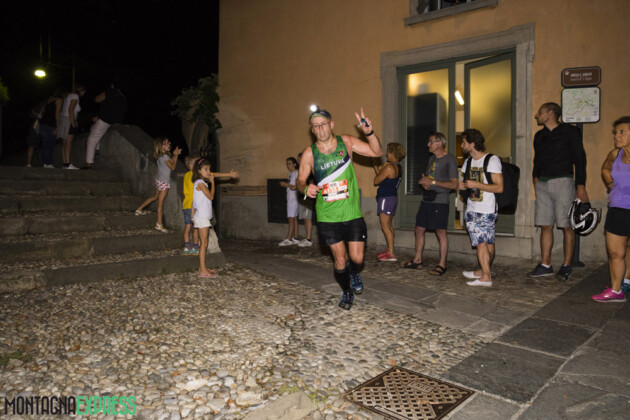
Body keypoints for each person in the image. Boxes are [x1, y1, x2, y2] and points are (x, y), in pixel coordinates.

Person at [297, 107, 382, 310]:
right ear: (312, 130)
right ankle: (347, 291)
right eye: (316, 126)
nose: (320, 129)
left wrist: (369, 133)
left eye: (323, 124)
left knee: (357, 258)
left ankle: (354, 272)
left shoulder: (347, 142)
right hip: (327, 215)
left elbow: (377, 152)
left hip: (351, 212)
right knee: (340, 259)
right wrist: (305, 188)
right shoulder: (309, 153)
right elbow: (299, 181)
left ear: (331, 124)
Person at [529, 102, 589, 279]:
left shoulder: (570, 132)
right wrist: (535, 179)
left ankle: (566, 265)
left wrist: (581, 185)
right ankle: (545, 264)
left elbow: (580, 159)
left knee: (566, 225)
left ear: (551, 112)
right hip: (542, 184)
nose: (536, 115)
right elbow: (537, 160)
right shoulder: (539, 135)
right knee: (545, 225)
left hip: (563, 181)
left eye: (540, 112)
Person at [403, 132, 458, 274]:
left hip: (440, 201)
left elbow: (454, 185)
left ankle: (442, 264)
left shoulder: (450, 160)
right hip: (427, 199)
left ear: (439, 143)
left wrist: (432, 182)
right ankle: (417, 260)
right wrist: (425, 182)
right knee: (419, 229)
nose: (428, 144)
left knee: (441, 232)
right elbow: (429, 177)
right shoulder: (432, 159)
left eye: (431, 142)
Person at [458, 129, 503, 287]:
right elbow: (466, 184)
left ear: (472, 144)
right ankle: (484, 271)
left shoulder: (492, 160)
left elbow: (499, 187)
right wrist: (463, 186)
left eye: (464, 142)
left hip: (486, 208)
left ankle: (486, 277)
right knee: (488, 244)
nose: (461, 145)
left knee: (481, 243)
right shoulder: (468, 162)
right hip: (472, 207)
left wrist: (476, 184)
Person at [592, 116, 630, 302]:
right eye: (615, 132)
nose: (617, 136)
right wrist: (610, 184)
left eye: (622, 132)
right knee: (616, 252)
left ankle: (627, 279)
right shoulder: (615, 154)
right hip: (618, 208)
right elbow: (605, 169)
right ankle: (616, 291)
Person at [182, 155, 239, 255]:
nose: (208, 171)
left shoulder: (190, 176)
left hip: (190, 205)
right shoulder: (197, 179)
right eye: (197, 163)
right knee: (196, 231)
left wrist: (228, 174)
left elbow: (212, 174)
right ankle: (195, 248)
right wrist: (228, 174)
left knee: (191, 228)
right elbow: (212, 181)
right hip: (195, 207)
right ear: (192, 166)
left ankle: (190, 247)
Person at [135, 137, 181, 232]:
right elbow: (172, 167)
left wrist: (174, 155)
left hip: (159, 181)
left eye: (169, 143)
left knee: (154, 197)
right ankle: (159, 224)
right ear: (160, 146)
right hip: (164, 183)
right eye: (166, 143)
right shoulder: (165, 157)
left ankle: (139, 209)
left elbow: (170, 164)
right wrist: (176, 155)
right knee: (160, 204)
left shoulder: (161, 156)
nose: (169, 144)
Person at [374, 142, 406, 262]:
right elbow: (382, 177)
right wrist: (376, 166)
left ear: (392, 153)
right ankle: (389, 249)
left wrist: (383, 167)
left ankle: (391, 253)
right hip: (392, 198)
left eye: (388, 151)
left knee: (384, 226)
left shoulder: (389, 167)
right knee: (389, 226)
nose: (386, 154)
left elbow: (376, 180)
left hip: (386, 199)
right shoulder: (399, 167)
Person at [83, 82, 127, 169]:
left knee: (92, 139)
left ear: (113, 85)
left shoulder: (110, 91)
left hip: (105, 120)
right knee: (93, 128)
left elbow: (97, 99)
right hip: (117, 121)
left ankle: (89, 164)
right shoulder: (123, 97)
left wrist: (107, 92)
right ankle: (97, 147)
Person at [191, 158, 219, 278]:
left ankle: (202, 267)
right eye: (206, 169)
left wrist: (192, 214)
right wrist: (213, 183)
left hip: (201, 217)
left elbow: (194, 201)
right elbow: (211, 197)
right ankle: (202, 271)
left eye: (209, 169)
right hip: (202, 218)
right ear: (199, 170)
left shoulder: (200, 183)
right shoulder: (201, 183)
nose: (208, 171)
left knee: (204, 243)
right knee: (204, 244)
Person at [57, 84, 86, 169]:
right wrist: (73, 124)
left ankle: (65, 163)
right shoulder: (75, 96)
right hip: (68, 120)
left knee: (64, 143)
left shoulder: (67, 96)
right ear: (82, 91)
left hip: (63, 120)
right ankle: (68, 163)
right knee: (68, 143)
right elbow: (71, 110)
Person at [39, 89, 65, 168]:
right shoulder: (59, 100)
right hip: (51, 124)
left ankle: (45, 163)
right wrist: (58, 126)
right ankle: (48, 163)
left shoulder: (50, 99)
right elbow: (57, 113)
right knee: (49, 144)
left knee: (45, 144)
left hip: (43, 123)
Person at [278, 157, 300, 246]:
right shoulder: (290, 173)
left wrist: (285, 184)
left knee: (291, 218)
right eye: (287, 164)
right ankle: (296, 237)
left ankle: (289, 238)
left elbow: (295, 187)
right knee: (294, 218)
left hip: (293, 199)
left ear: (295, 164)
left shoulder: (297, 173)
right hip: (290, 197)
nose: (288, 166)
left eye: (289, 164)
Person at [297, 152, 314, 247]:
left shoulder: (309, 171)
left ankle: (309, 239)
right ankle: (307, 237)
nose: (299, 161)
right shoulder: (300, 171)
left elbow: (311, 182)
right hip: (301, 196)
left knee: (308, 217)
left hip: (307, 197)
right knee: (304, 218)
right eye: (298, 160)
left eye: (300, 159)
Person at [26, 100, 46, 167]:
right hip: (36, 125)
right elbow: (32, 113)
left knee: (35, 144)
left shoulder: (44, 105)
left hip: (39, 124)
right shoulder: (41, 106)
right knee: (32, 144)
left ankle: (30, 163)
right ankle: (29, 163)